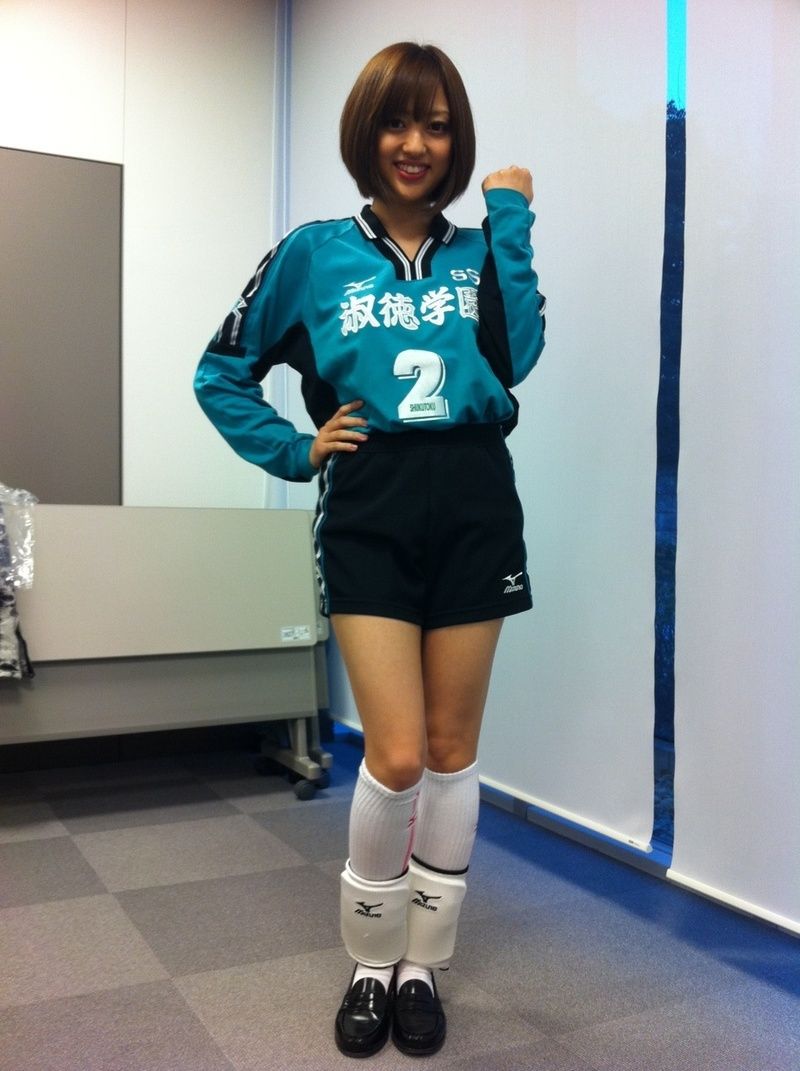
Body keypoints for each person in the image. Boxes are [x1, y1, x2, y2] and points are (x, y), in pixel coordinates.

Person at [194, 40, 545, 1059]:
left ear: (455, 141)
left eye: (436, 125)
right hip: (370, 506)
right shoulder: (313, 252)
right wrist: (295, 448)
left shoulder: (480, 250)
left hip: (475, 502)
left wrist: (512, 218)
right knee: (393, 756)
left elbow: (516, 354)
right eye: (397, 121)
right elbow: (221, 371)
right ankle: (368, 961)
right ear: (367, 132)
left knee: (451, 751)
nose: (415, 143)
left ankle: (423, 966)